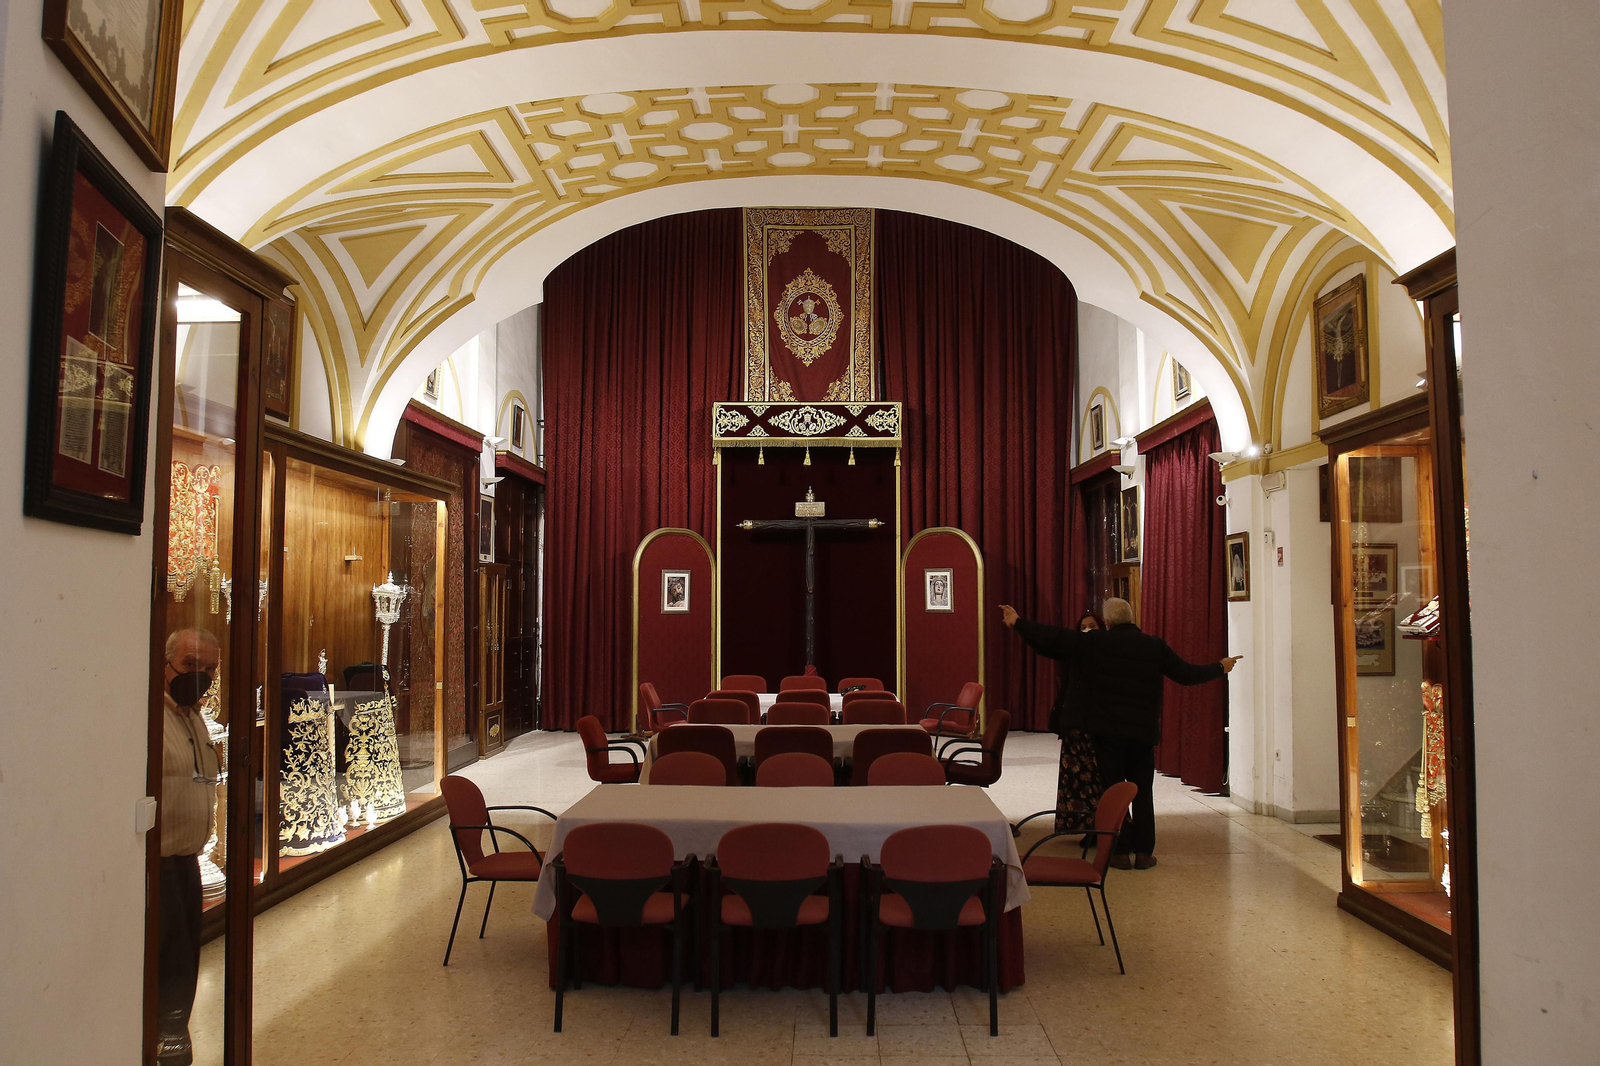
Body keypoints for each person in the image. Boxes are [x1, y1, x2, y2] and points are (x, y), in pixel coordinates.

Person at [1000, 598, 1240, 870]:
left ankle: (1119, 852)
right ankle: (1144, 853)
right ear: (1131, 618)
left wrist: (1019, 623)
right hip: (1142, 734)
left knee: (1112, 792)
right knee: (1143, 793)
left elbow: (1054, 637)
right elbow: (1186, 674)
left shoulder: (1095, 642)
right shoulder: (1154, 646)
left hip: (1108, 733)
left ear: (1108, 622)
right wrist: (1220, 667)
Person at [158, 628, 223, 1065]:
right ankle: (162, 1039)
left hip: (189, 861)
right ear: (166, 664)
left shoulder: (193, 716)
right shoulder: (150, 716)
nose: (199, 675)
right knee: (164, 961)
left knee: (185, 960)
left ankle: (175, 1033)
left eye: (209, 669)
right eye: (190, 664)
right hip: (157, 863)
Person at [1051, 611, 1105, 837]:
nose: (1087, 630)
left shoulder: (1107, 654)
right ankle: (1079, 824)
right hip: (1074, 723)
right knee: (1075, 776)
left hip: (1099, 725)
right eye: (1083, 627)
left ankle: (1101, 825)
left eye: (1092, 626)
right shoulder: (1072, 653)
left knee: (1098, 777)